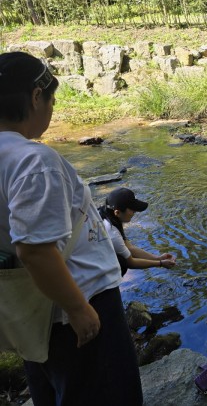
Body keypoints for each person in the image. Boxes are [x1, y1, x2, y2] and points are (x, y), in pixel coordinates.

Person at [0, 51, 143, 406]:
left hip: (33, 311)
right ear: (36, 97)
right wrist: (79, 309)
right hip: (75, 305)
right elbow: (34, 250)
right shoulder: (33, 160)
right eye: (51, 99)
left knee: (54, 391)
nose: (51, 108)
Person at [98, 187, 177, 276]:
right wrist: (161, 263)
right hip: (89, 273)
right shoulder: (112, 233)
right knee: (122, 262)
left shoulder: (105, 213)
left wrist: (158, 258)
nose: (135, 212)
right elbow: (131, 263)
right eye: (132, 209)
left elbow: (130, 247)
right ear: (117, 212)